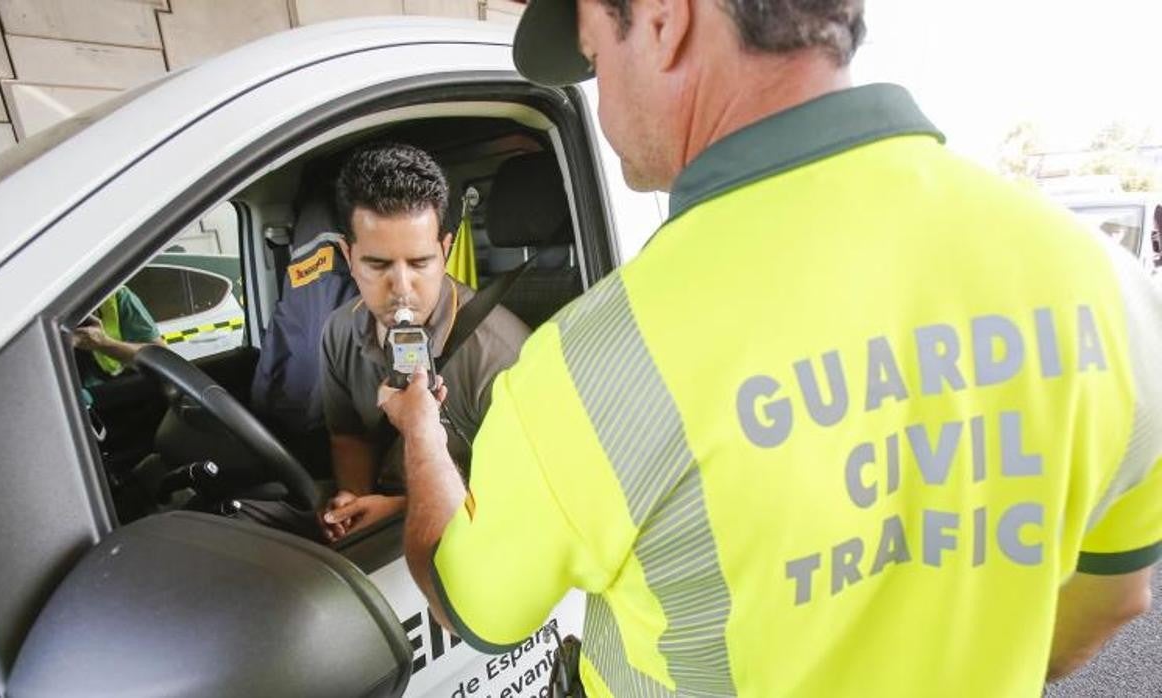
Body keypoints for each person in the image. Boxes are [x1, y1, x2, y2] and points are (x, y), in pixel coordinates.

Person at [378, 1, 1162, 696]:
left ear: (661, 18)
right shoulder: (1108, 287)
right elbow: (1117, 598)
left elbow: (467, 604)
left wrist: (420, 428)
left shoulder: (590, 369)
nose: (601, 95)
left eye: (593, 57)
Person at [318, 142, 529, 542]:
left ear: (445, 250)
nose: (401, 288)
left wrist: (398, 510)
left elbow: (525, 500)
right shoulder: (338, 331)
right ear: (348, 255)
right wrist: (355, 501)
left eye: (419, 263)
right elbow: (349, 436)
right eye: (377, 264)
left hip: (468, 538)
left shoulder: (503, 356)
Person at [73, 285, 164, 395]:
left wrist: (102, 343)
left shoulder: (115, 296)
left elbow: (161, 359)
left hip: (104, 392)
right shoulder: (49, 295)